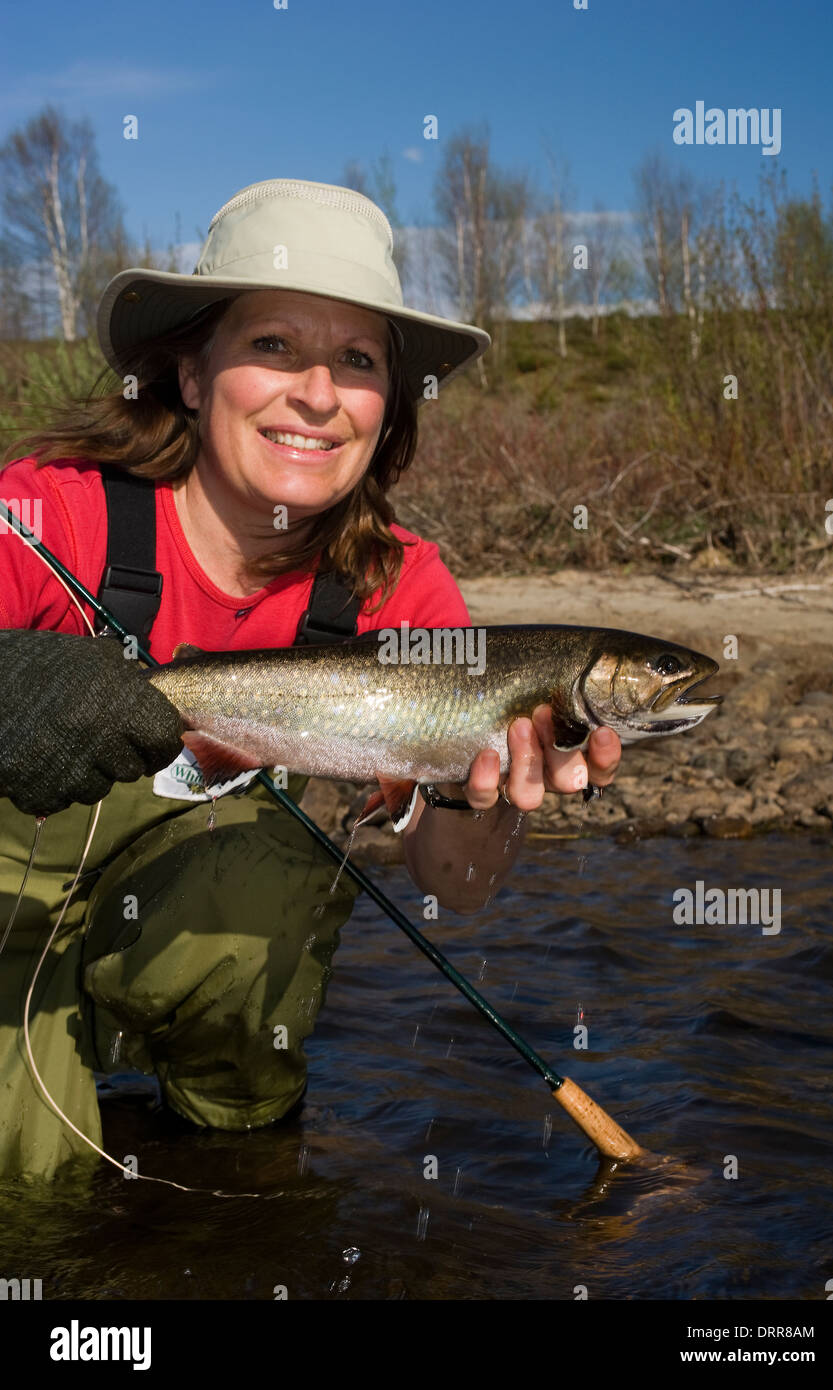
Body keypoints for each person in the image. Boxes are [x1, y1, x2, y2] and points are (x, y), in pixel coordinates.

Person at [0, 179, 621, 1180]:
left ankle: (225, 1153)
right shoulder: (45, 517)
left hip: (183, 929)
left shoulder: (402, 590)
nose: (318, 394)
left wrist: (487, 799)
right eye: (274, 347)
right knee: (25, 1192)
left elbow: (458, 886)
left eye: (358, 361)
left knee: (270, 896)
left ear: (387, 405)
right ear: (193, 375)